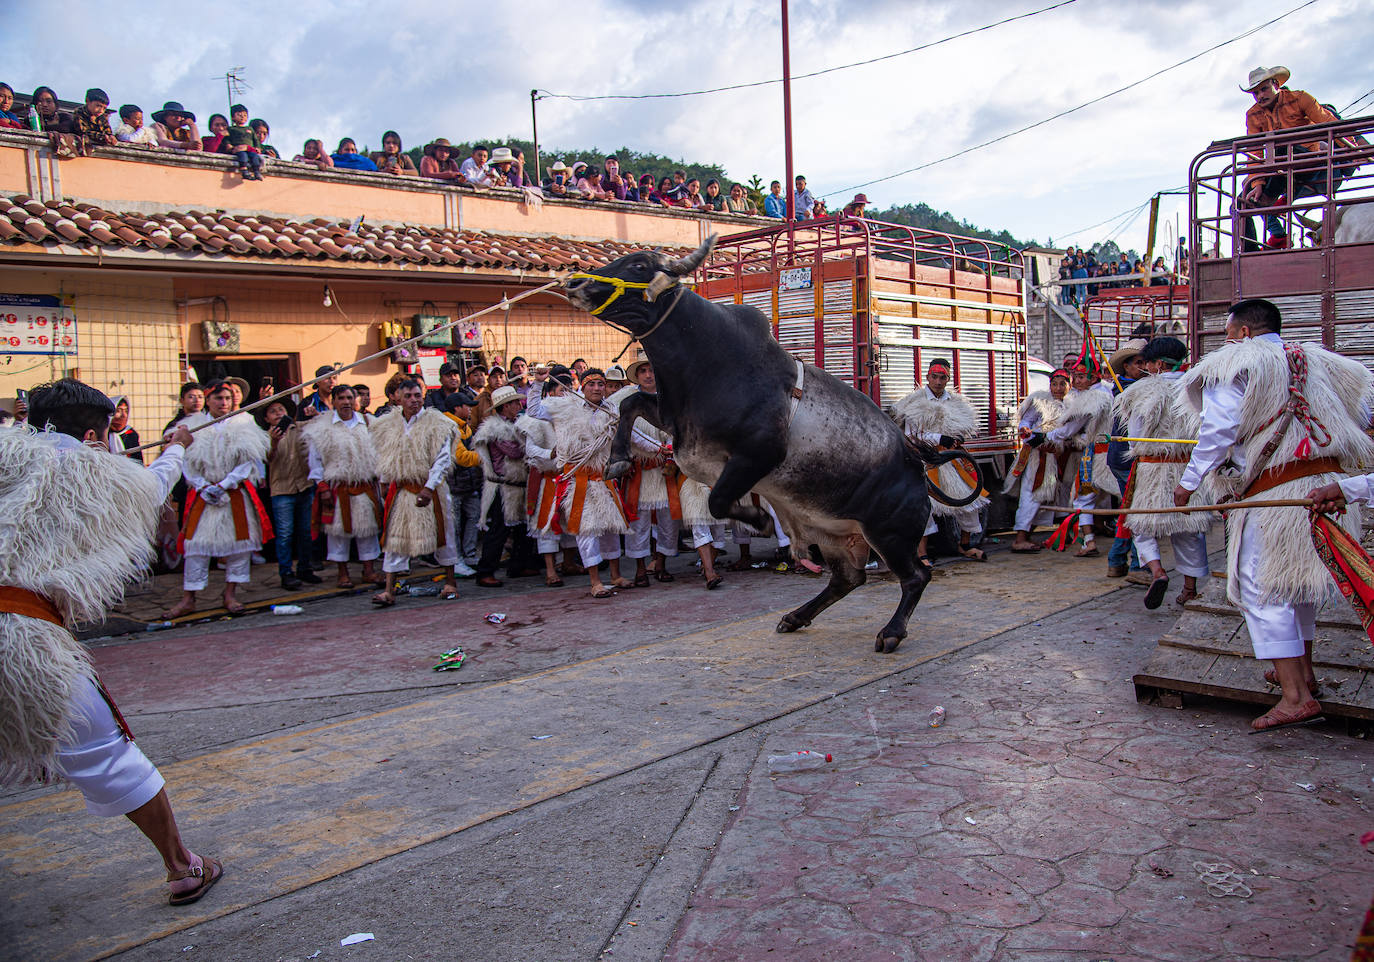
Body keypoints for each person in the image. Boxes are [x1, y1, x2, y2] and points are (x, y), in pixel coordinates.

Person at [1, 379, 223, 906]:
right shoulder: (97, 471)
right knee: (108, 754)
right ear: (97, 432)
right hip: (22, 637)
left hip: (23, 626)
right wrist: (175, 448)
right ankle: (181, 865)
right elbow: (150, 491)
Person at [1175, 298, 1373, 730]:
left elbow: (1218, 428)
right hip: (1326, 490)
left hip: (1277, 492)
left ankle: (1295, 696)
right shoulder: (1319, 361)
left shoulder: (1236, 361)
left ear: (1244, 332)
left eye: (1229, 332)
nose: (1227, 340)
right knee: (1294, 585)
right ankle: (1304, 676)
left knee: (1261, 588)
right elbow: (1361, 414)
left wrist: (1188, 482)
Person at [1113, 337, 1212, 609]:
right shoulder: (1197, 387)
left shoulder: (1137, 391)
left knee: (1142, 525)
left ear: (1157, 363)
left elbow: (1133, 440)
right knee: (1189, 529)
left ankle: (1157, 571)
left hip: (1151, 467)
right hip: (1187, 466)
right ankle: (1189, 590)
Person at [168, 380, 271, 618]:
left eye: (227, 398)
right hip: (203, 494)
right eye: (218, 399)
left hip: (233, 492)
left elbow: (249, 460)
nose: (223, 403)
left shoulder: (244, 424)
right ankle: (189, 597)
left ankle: (230, 594)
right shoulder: (191, 426)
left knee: (239, 545)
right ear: (208, 400)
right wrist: (203, 486)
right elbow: (185, 460)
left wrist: (225, 484)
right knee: (195, 546)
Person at [368, 378, 461, 606]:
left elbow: (443, 459)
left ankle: (450, 582)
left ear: (424, 395)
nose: (413, 400)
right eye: (408, 396)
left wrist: (429, 487)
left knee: (444, 535)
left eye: (417, 395)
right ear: (397, 398)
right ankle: (389, 590)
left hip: (432, 489)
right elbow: (385, 456)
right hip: (402, 489)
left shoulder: (438, 423)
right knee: (395, 539)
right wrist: (384, 481)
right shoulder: (387, 424)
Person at [541, 368, 633, 597]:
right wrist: (537, 383)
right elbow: (535, 410)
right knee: (587, 532)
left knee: (612, 530)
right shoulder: (568, 409)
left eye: (600, 385)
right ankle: (595, 581)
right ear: (582, 387)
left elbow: (634, 436)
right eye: (591, 384)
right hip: (580, 481)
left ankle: (615, 575)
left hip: (604, 480)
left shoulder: (612, 413)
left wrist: (661, 450)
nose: (596, 389)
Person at [890, 358, 988, 564]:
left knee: (970, 499)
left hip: (951, 459)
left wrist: (957, 438)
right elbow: (911, 435)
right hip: (924, 460)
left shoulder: (956, 403)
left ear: (948, 379)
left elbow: (963, 429)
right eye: (934, 376)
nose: (938, 381)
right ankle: (922, 553)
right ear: (927, 377)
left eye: (942, 377)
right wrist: (939, 439)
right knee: (924, 505)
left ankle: (966, 544)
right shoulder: (913, 403)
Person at [1237, 66, 1343, 250]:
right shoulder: (1253, 114)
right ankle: (1251, 251)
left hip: (1308, 160)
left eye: (1263, 89)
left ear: (1275, 84)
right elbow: (1254, 152)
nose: (1260, 96)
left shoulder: (1299, 98)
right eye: (1255, 93)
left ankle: (1271, 200)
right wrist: (1258, 183)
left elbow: (1327, 121)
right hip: (1278, 167)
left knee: (1279, 150)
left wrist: (1350, 146)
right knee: (1240, 202)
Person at [609, 351, 680, 586]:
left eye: (651, 370)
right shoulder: (624, 400)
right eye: (643, 371)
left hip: (665, 470)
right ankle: (640, 569)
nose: (648, 375)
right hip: (638, 470)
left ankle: (660, 564)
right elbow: (621, 431)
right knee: (637, 522)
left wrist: (669, 450)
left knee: (668, 521)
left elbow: (678, 428)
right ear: (636, 376)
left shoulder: (670, 398)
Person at [304, 384, 383, 589]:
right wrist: (321, 488)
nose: (346, 402)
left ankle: (369, 570)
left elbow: (382, 454)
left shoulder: (370, 423)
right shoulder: (321, 429)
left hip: (365, 486)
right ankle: (343, 573)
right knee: (337, 533)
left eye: (349, 398)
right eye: (341, 398)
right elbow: (315, 462)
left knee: (368, 530)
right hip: (337, 488)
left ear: (355, 400)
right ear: (333, 401)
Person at [1046, 365, 1119, 557]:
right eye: (1076, 377)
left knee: (1083, 499)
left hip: (1097, 455)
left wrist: (1047, 436)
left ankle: (1090, 542)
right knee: (1121, 495)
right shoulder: (1107, 391)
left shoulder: (1091, 398)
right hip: (1112, 451)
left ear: (1093, 377)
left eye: (1080, 377)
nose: (1076, 381)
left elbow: (1071, 428)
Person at [471, 386, 538, 587]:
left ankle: (518, 565)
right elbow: (516, 452)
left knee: (522, 528)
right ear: (506, 406)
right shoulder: (495, 428)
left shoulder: (513, 424)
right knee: (498, 530)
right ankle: (485, 571)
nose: (520, 405)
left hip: (517, 485)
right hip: (502, 486)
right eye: (516, 403)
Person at [517, 377, 571, 587]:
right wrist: (551, 453)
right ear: (549, 392)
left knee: (571, 522)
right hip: (548, 480)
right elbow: (531, 450)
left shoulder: (570, 416)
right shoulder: (537, 418)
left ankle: (568, 563)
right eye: (560, 390)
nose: (564, 394)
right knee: (546, 525)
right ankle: (550, 570)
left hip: (569, 477)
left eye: (568, 390)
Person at [1008, 369, 1069, 552]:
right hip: (1037, 457)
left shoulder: (1071, 406)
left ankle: (1027, 535)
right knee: (1031, 494)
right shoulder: (1039, 401)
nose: (1058, 388)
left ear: (1069, 385)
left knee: (1046, 497)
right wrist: (1027, 431)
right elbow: (1025, 421)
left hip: (1055, 458)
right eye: (1054, 384)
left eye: (1062, 384)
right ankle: (1019, 538)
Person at [262, 398, 318, 590]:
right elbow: (267, 459)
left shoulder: (300, 428)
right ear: (267, 418)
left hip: (304, 485)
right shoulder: (265, 436)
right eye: (272, 411)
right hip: (281, 490)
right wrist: (274, 442)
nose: (278, 413)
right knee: (285, 534)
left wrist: (315, 415)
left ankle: (305, 567)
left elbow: (321, 428)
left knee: (305, 531)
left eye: (281, 409)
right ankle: (286, 572)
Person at [1104, 340, 1148, 580]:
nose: (1143, 367)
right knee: (1137, 511)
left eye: (1145, 362)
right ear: (1127, 367)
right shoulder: (1127, 389)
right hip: (1127, 458)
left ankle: (1118, 560)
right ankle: (1136, 566)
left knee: (1129, 509)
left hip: (1124, 457)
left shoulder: (1128, 386)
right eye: (1138, 363)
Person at [441, 389, 482, 573]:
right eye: (468, 406)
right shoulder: (448, 427)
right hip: (453, 484)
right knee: (454, 525)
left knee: (475, 516)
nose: (471, 410)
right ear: (457, 408)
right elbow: (460, 457)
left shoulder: (465, 426)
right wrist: (484, 457)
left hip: (468, 483)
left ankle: (469, 554)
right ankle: (456, 560)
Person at [225, 104, 264, 181]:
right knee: (243, 156)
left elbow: (255, 140)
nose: (242, 117)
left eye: (245, 115)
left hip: (250, 149)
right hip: (239, 149)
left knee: (255, 157)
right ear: (233, 117)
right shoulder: (231, 129)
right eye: (239, 115)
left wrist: (258, 148)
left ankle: (256, 171)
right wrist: (229, 146)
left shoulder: (250, 129)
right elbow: (227, 138)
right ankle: (244, 171)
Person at [71, 88, 116, 153]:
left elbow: (108, 131)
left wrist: (111, 137)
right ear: (87, 101)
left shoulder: (102, 117)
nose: (101, 110)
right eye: (98, 106)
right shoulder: (79, 112)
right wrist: (102, 137)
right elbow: (83, 132)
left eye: (104, 108)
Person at [108, 395, 142, 462]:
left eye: (126, 411)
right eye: (118, 411)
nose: (124, 416)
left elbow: (138, 461)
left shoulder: (130, 434)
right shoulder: (101, 433)